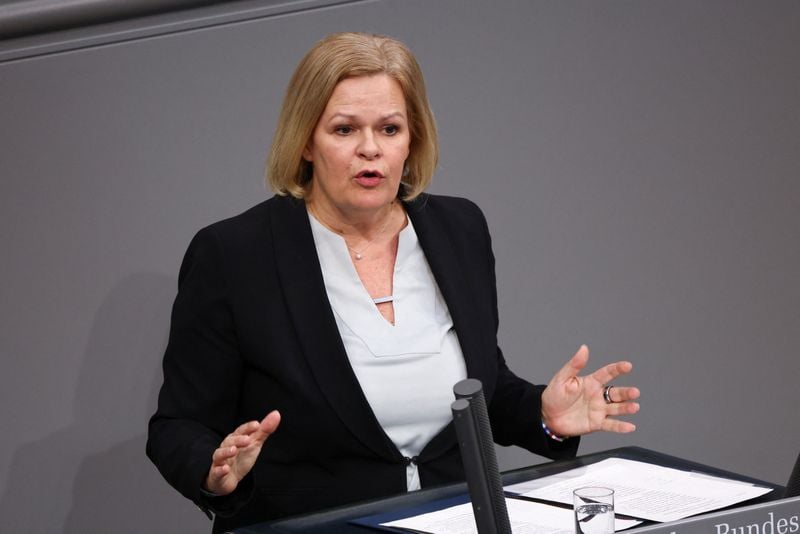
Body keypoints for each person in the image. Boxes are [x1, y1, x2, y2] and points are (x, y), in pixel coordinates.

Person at [146, 32, 640, 533]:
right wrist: (213, 471)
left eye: (389, 128)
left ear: (412, 139)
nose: (370, 149)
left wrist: (544, 416)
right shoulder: (235, 254)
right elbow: (176, 426)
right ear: (306, 142)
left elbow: (480, 387)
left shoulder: (459, 229)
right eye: (344, 130)